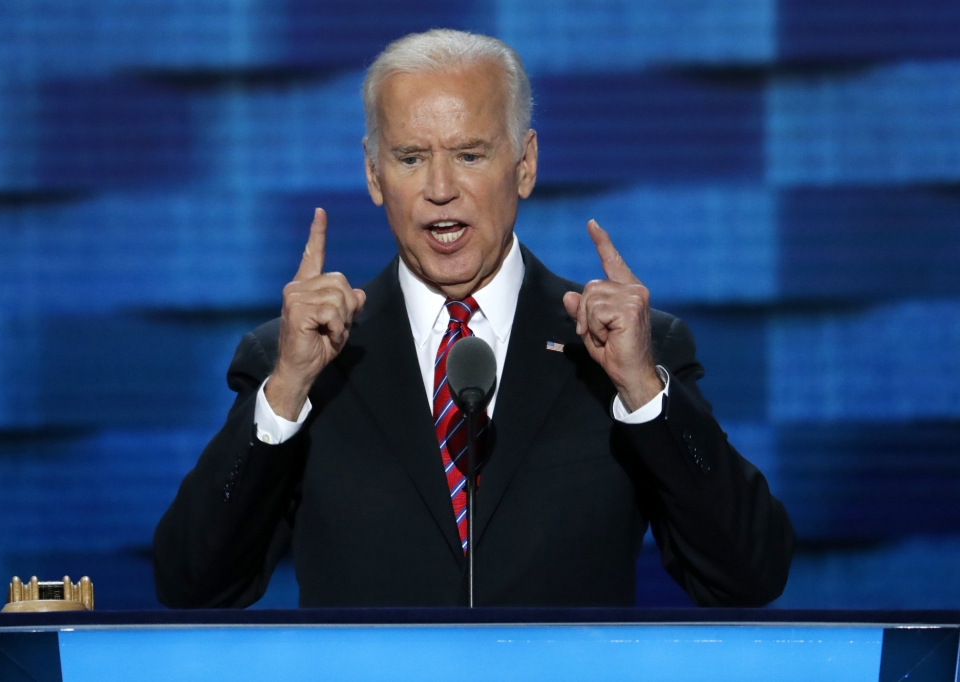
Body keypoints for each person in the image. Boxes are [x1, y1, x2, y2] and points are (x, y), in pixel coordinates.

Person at [153, 29, 793, 608]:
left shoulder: (624, 351)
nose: (439, 187)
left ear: (525, 163)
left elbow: (746, 577)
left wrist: (646, 394)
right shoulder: (294, 359)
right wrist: (286, 393)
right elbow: (195, 585)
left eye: (469, 154)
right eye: (409, 157)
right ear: (373, 174)